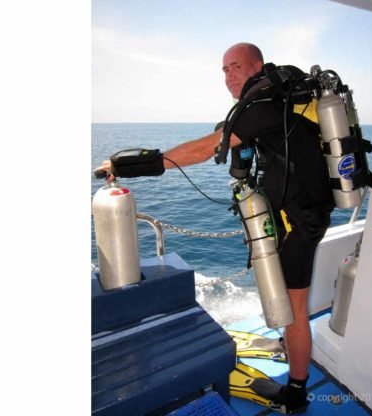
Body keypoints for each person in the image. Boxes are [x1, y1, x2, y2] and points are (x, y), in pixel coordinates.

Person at [98, 42, 333, 414]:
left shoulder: (261, 106)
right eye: (224, 70)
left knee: (295, 308)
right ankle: (292, 346)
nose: (228, 76)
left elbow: (202, 150)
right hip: (310, 211)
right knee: (291, 302)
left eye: (236, 66)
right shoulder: (281, 99)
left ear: (256, 65)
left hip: (297, 221)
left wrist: (127, 166)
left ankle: (297, 390)